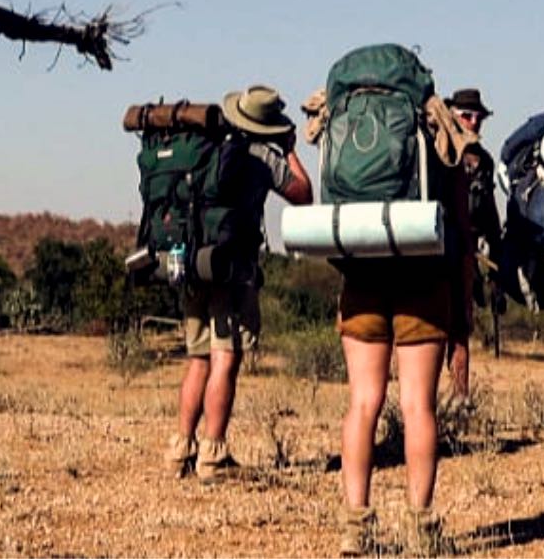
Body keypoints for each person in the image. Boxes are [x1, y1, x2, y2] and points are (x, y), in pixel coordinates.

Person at [331, 87, 472, 557]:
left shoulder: (347, 122)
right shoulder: (436, 128)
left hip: (362, 273)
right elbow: (459, 226)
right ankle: (421, 524)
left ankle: (355, 524)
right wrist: (462, 314)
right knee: (418, 408)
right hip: (423, 279)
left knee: (363, 403)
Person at [163, 85, 312, 483]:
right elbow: (303, 193)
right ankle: (213, 453)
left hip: (192, 260)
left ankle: (180, 449)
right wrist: (290, 149)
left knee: (198, 358)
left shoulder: (205, 147)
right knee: (225, 357)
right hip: (234, 266)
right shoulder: (263, 157)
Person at [445, 87, 504, 402]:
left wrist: (498, 266)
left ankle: (459, 399)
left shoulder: (483, 160)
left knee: (461, 327)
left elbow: (490, 212)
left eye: (479, 117)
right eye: (467, 115)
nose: (474, 122)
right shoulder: (437, 150)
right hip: (434, 250)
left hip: (466, 253)